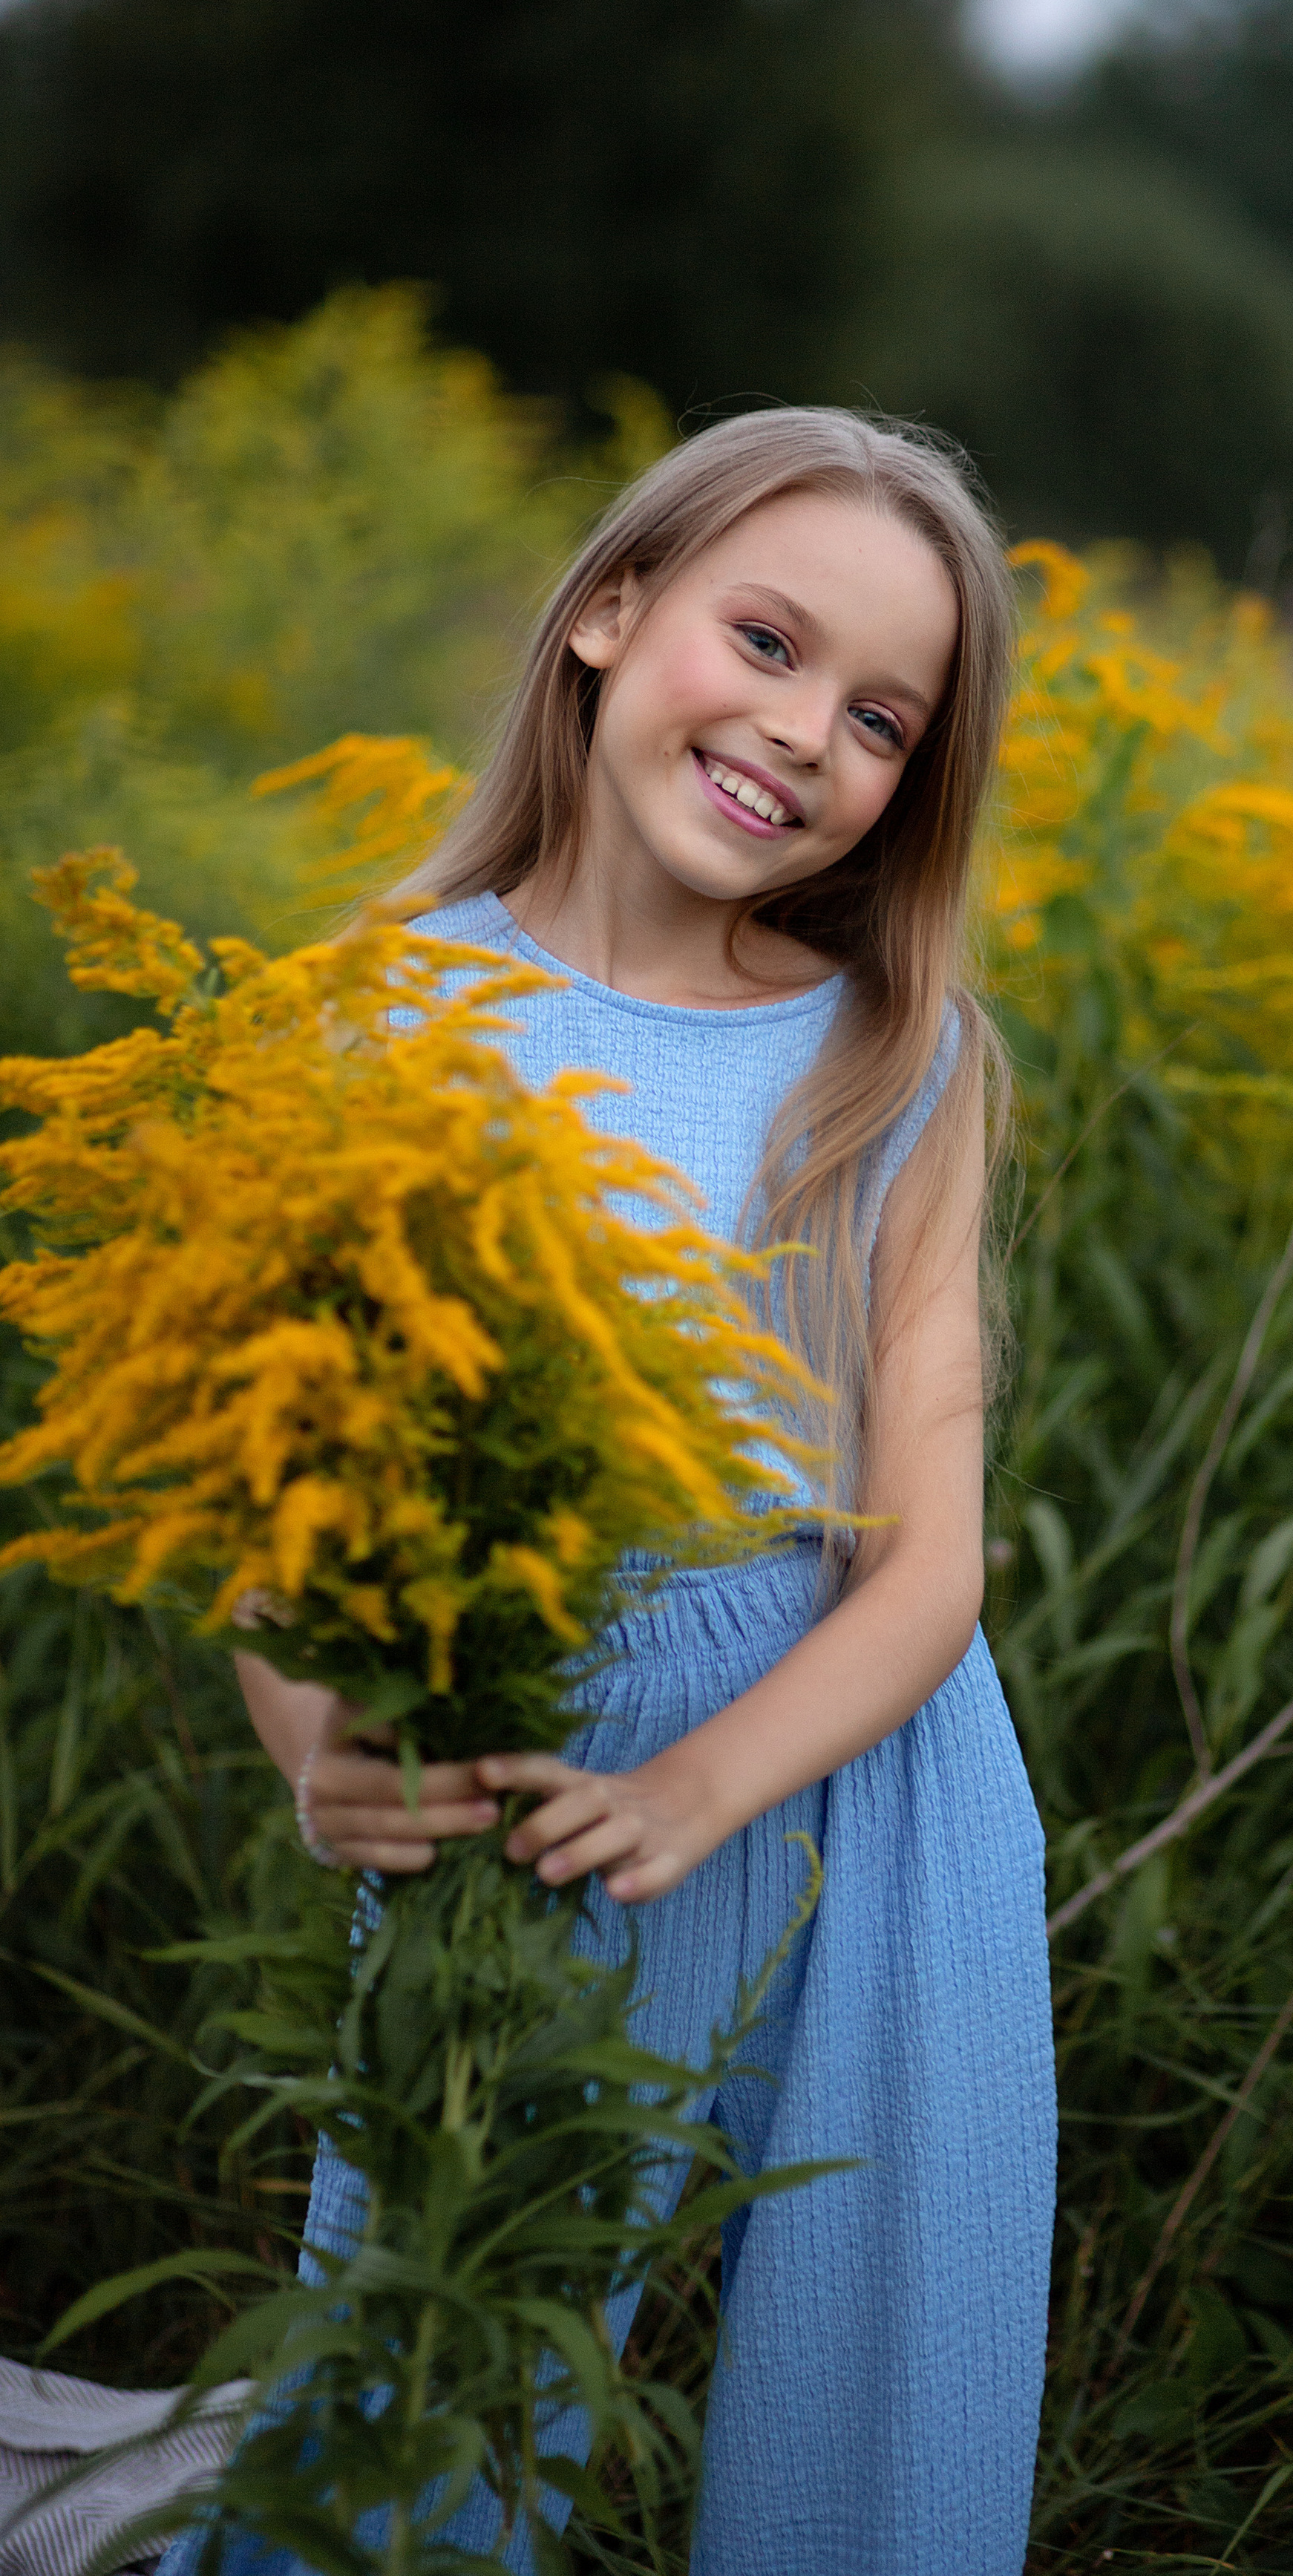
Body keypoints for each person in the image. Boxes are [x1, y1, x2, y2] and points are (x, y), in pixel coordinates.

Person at [159, 409, 1055, 2576]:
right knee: (428, 2372)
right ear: (609, 610)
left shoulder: (896, 1058)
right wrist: (318, 1737)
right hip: (526, 1763)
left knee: (889, 2388)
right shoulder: (382, 1009)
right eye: (767, 640)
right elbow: (274, 1502)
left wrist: (706, 1790)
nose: (801, 732)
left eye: (880, 718)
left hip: (866, 1784)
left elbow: (930, 1564)